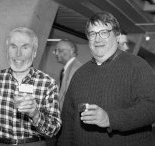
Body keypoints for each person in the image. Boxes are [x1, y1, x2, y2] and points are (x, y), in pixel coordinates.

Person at [57, 11, 155, 146]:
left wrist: (110, 119)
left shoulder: (137, 66)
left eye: (104, 32)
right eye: (92, 34)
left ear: (117, 36)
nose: (98, 39)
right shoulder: (79, 74)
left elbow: (151, 107)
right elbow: (68, 120)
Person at [0, 27, 61, 146]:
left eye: (25, 47)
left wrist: (36, 115)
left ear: (35, 52)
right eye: (13, 47)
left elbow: (54, 130)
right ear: (7, 50)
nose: (18, 53)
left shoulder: (47, 83)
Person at [53, 39, 82, 111]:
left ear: (71, 51)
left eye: (60, 50)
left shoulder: (76, 69)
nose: (56, 53)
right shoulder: (66, 69)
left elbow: (70, 97)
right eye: (55, 50)